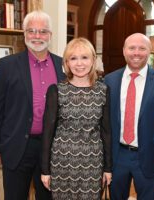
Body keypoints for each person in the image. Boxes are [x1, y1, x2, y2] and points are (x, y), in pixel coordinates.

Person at [0, 10, 65, 200]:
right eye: (32, 31)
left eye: (43, 31)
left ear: (50, 36)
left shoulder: (62, 65)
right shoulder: (7, 65)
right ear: (24, 34)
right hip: (16, 147)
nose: (37, 36)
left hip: (52, 149)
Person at [104, 33, 154, 200]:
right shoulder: (109, 81)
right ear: (124, 51)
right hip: (117, 156)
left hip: (151, 156)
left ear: (150, 51)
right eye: (132, 48)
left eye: (142, 48)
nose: (136, 53)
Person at [40, 37, 112, 199]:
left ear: (93, 60)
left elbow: (106, 132)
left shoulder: (103, 90)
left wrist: (108, 168)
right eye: (73, 58)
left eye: (84, 57)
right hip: (61, 163)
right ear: (67, 63)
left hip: (93, 164)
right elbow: (47, 133)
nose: (79, 63)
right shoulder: (56, 90)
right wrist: (45, 170)